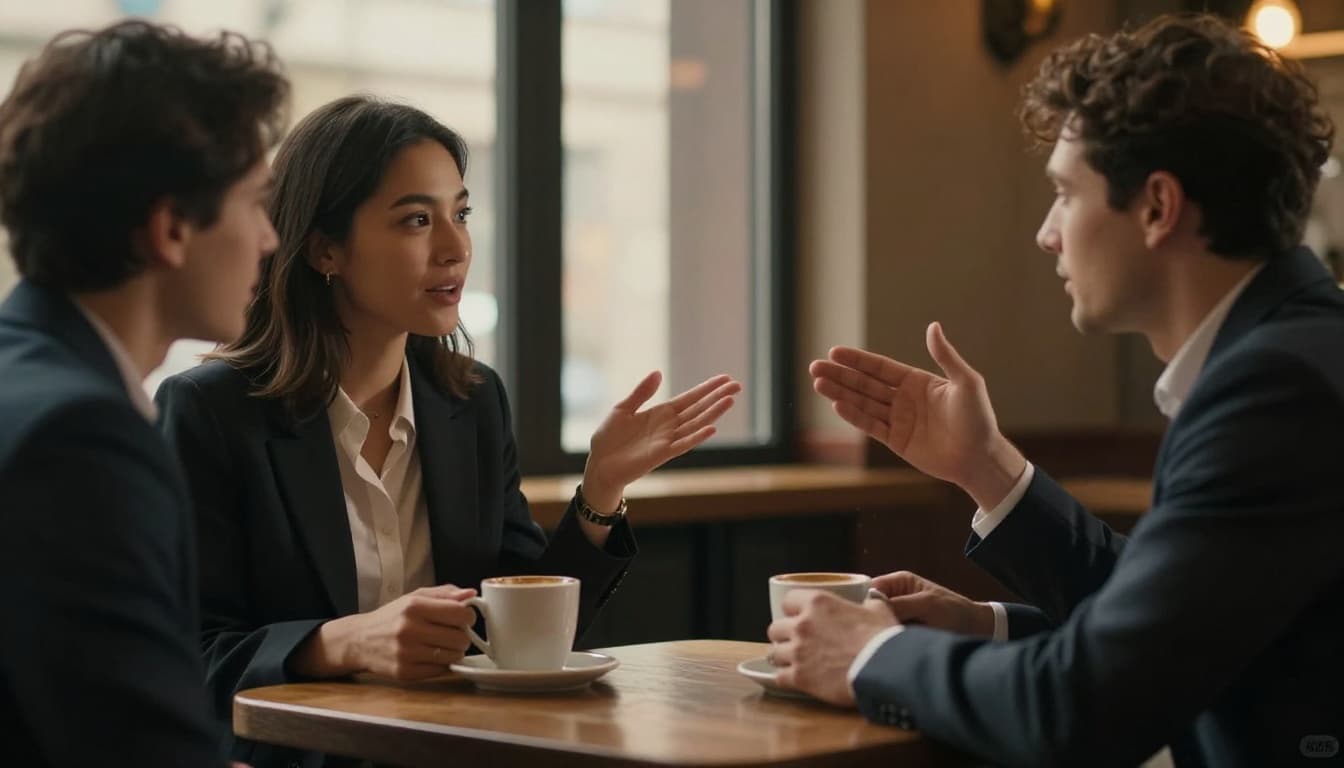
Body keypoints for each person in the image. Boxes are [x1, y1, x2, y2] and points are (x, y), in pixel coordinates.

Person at [769, 13, 1343, 768]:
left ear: (1157, 207)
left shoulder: (1275, 390)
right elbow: (1178, 629)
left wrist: (869, 656)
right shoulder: (1297, 350)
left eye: (1066, 194)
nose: (1047, 233)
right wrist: (987, 478)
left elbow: (1086, 708)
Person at [155, 95, 741, 767]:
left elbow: (522, 638)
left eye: (460, 214)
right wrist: (342, 641)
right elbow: (186, 655)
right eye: (415, 220)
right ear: (324, 249)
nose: (456, 247)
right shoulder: (210, 411)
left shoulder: (471, 400)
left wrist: (602, 490)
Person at [0, 20, 288, 767]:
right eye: (255, 203)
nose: (270, 239)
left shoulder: (27, 379)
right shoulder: (80, 437)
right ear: (170, 230)